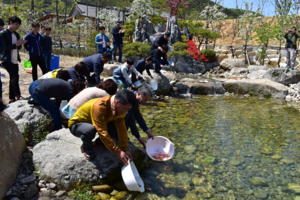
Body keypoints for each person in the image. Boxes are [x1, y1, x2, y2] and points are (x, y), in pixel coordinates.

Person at [68, 89, 136, 164]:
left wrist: (125, 149)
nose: (125, 111)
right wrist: (117, 151)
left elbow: (121, 129)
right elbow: (101, 130)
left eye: (128, 109)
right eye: (125, 109)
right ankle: (86, 148)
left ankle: (99, 143)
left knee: (120, 120)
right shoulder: (100, 106)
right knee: (90, 130)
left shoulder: (118, 108)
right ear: (117, 103)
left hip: (97, 122)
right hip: (78, 125)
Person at [0, 16, 27, 103]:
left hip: (15, 59)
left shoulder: (17, 34)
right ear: (10, 23)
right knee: (15, 76)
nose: (17, 27)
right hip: (6, 59)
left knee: (13, 78)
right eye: (16, 24)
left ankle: (11, 99)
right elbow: (3, 48)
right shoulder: (3, 33)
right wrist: (16, 44)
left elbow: (18, 48)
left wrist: (20, 44)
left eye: (19, 25)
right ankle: (18, 96)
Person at [126, 84, 155, 148]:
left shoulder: (135, 100)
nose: (145, 102)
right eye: (145, 99)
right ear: (138, 93)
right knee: (127, 117)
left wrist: (147, 130)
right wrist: (138, 137)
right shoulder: (129, 99)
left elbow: (138, 116)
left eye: (147, 100)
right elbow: (131, 121)